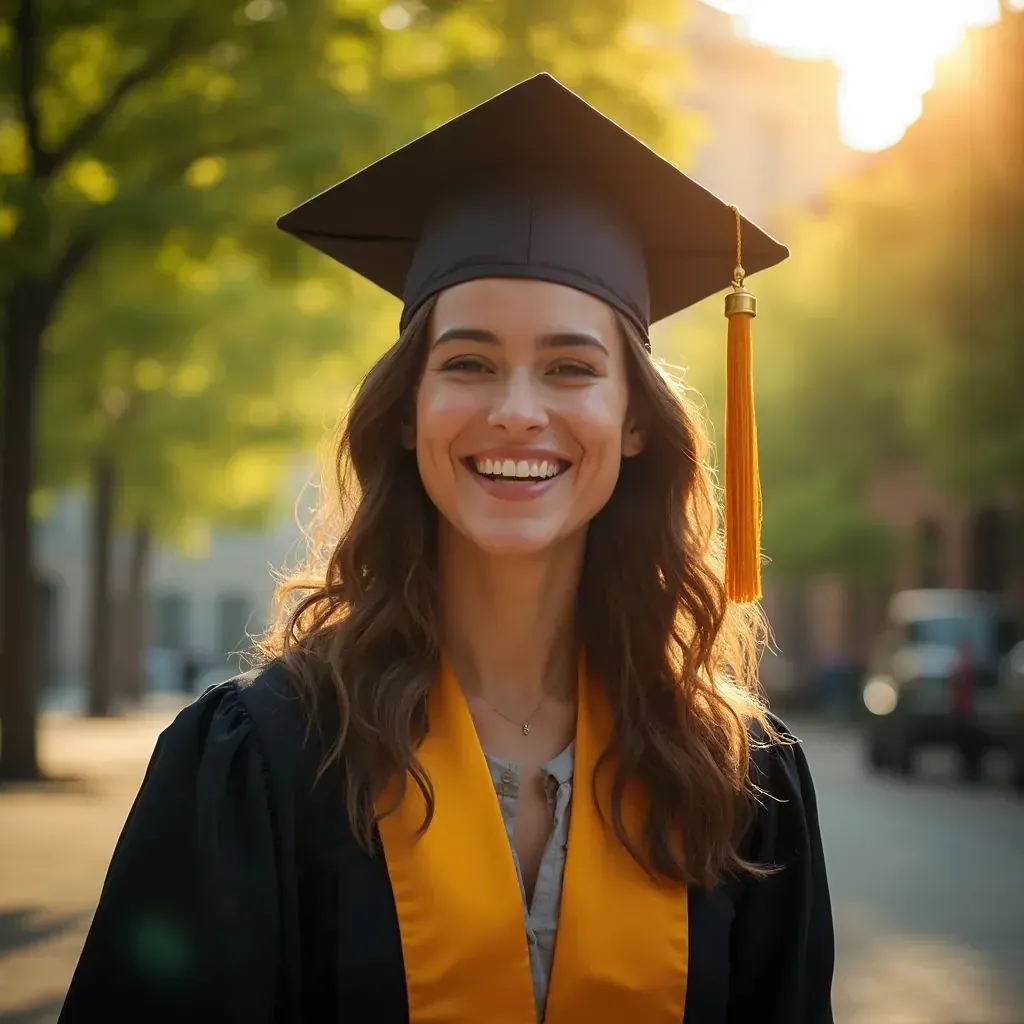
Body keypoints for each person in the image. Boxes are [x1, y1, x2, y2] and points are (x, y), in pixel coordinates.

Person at [59, 74, 834, 1023]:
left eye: (570, 368)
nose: (516, 411)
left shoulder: (735, 778)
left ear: (635, 421)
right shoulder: (269, 758)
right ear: (406, 413)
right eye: (467, 363)